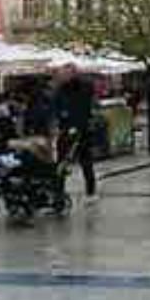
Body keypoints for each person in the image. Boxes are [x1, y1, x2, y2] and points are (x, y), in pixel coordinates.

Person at [54, 65, 97, 203]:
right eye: (62, 74)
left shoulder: (84, 88)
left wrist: (83, 123)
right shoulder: (60, 89)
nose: (63, 76)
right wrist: (60, 117)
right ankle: (59, 193)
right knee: (62, 161)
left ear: (74, 74)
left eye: (66, 74)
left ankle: (90, 191)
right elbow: (56, 107)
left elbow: (87, 107)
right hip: (66, 129)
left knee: (86, 162)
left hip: (81, 130)